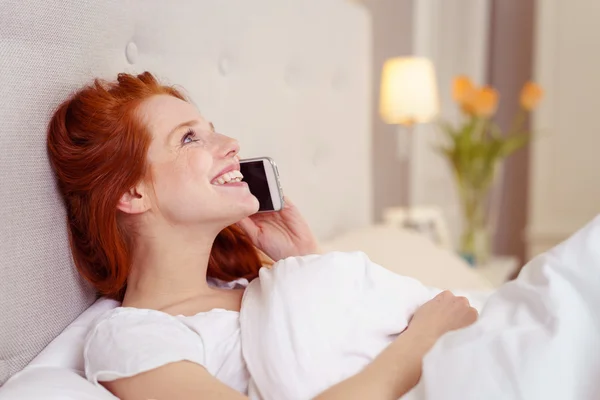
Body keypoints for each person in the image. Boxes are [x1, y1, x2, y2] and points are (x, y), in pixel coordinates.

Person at [47, 72, 478, 400]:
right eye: (190, 138)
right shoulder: (132, 338)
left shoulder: (252, 284)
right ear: (132, 192)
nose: (231, 142)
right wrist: (424, 341)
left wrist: (308, 261)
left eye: (211, 129)